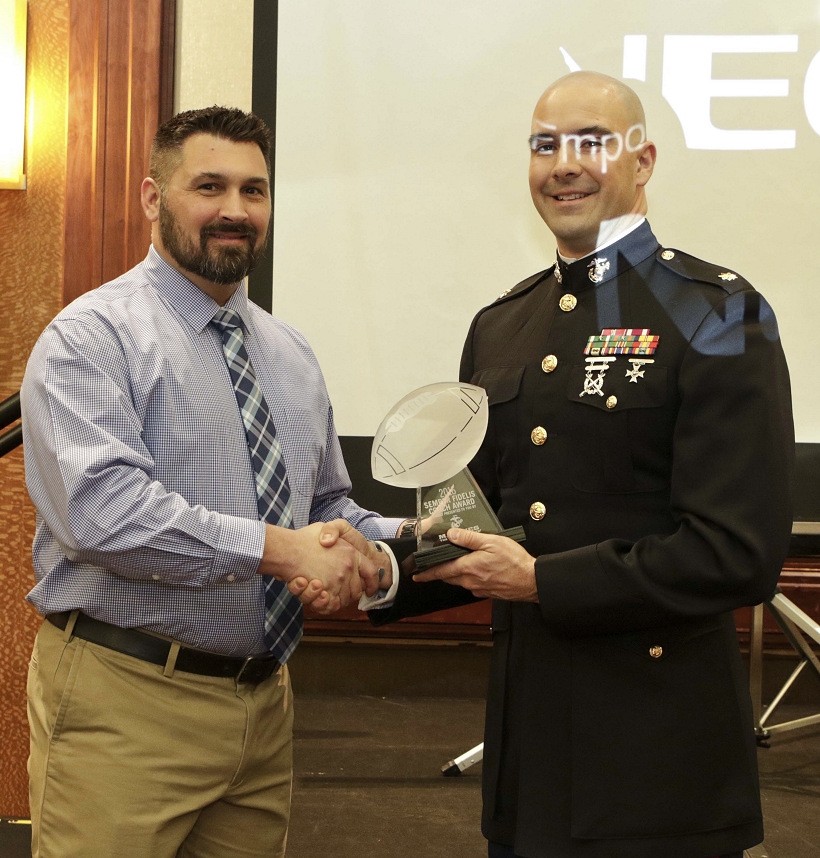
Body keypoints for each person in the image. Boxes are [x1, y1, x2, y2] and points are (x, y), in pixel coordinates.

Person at [315, 71, 795, 857]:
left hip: (659, 768)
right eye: (544, 146)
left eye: (590, 143)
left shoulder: (716, 313)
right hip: (529, 764)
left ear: (643, 162)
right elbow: (475, 525)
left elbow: (737, 554)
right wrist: (382, 570)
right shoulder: (501, 325)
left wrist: (544, 581)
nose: (562, 165)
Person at [21, 106, 401, 858]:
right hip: (125, 700)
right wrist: (286, 552)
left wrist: (393, 551)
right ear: (152, 198)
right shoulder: (92, 338)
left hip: (264, 708)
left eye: (254, 191)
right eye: (209, 186)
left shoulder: (290, 351)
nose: (235, 210)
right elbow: (104, 513)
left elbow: (324, 505)